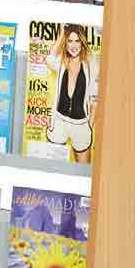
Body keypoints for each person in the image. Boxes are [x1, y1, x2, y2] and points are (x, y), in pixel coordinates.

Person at [46, 25, 97, 164]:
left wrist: (89, 125)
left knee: (83, 170)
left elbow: (95, 99)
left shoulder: (91, 64)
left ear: (82, 42)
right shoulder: (61, 61)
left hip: (81, 124)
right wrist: (63, 31)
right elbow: (50, 58)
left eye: (77, 41)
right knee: (53, 168)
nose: (73, 45)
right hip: (59, 122)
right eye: (69, 41)